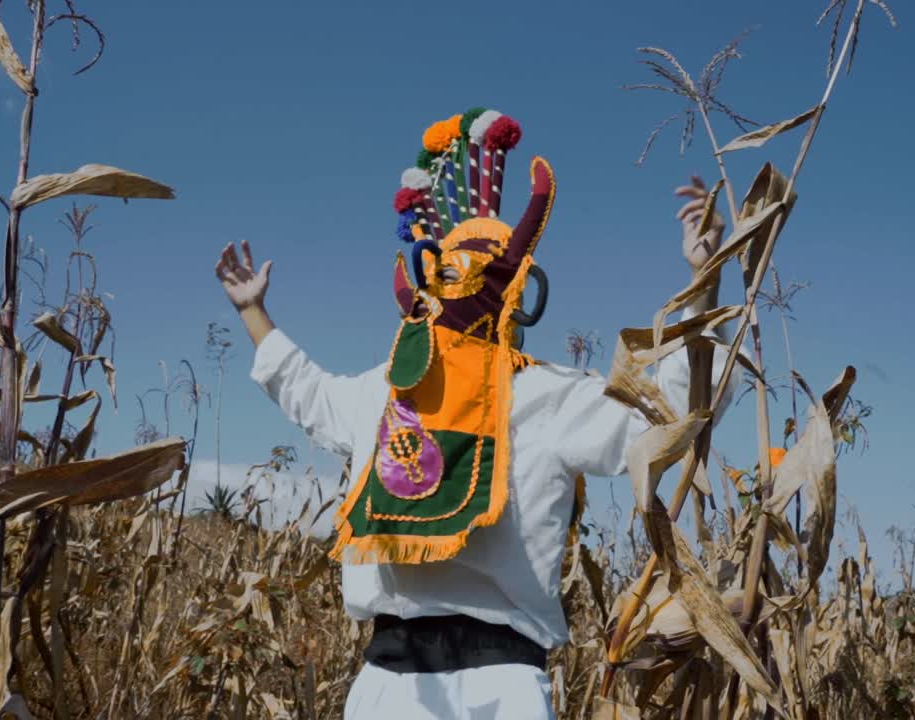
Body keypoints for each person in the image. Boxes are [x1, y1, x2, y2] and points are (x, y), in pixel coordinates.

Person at [214, 108, 737, 720]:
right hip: (440, 680)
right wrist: (706, 279)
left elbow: (664, 413)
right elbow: (669, 411)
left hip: (461, 682)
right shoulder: (432, 392)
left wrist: (706, 277)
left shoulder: (422, 393)